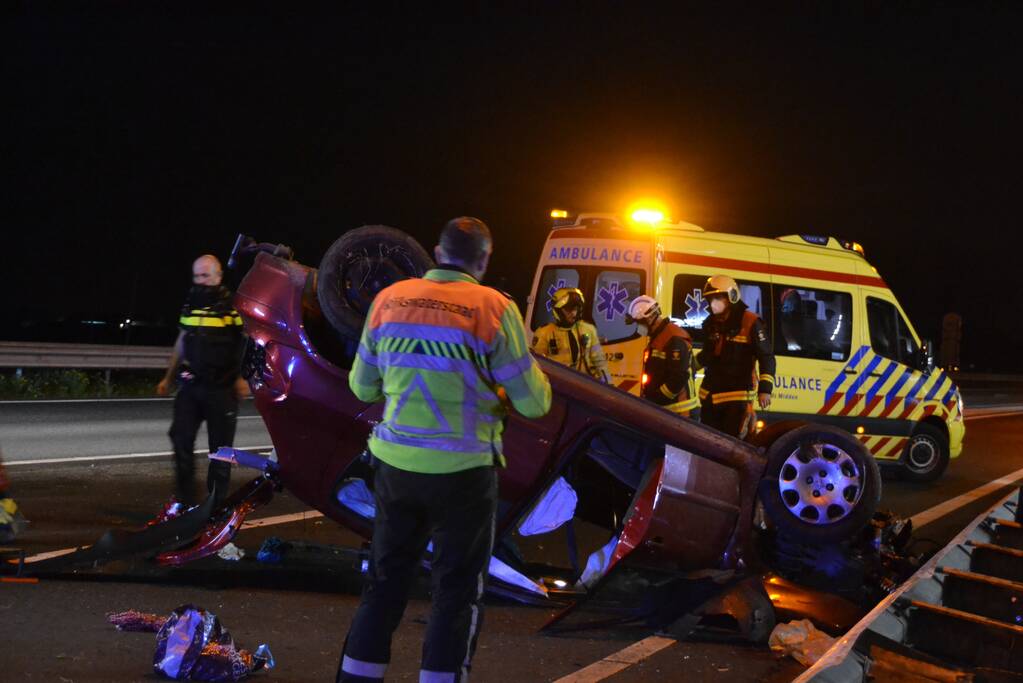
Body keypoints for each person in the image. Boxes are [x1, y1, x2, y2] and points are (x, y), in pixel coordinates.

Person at [338, 217, 552, 683]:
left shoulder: (388, 300)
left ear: (437, 253)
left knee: (384, 586)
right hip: (464, 474)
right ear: (484, 259)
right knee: (456, 593)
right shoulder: (494, 308)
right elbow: (535, 404)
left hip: (397, 469)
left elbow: (362, 387)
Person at [156, 254, 248, 509]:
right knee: (180, 437)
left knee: (220, 452)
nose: (200, 280)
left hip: (222, 388)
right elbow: (181, 342)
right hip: (192, 385)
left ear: (218, 276)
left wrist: (241, 378)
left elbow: (245, 342)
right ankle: (185, 502)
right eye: (197, 276)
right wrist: (168, 377)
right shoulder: (191, 304)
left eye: (205, 275)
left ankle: (214, 506)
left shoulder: (231, 306)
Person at [696, 275, 775, 438]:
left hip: (736, 398)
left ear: (731, 296)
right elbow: (707, 355)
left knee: (732, 444)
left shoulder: (750, 322)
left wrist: (765, 390)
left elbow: (766, 357)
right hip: (710, 397)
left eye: (718, 298)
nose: (713, 303)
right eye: (710, 299)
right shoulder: (711, 323)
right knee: (707, 443)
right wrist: (688, 366)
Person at [626, 295, 697, 417]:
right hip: (667, 410)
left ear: (650, 318)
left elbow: (679, 377)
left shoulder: (674, 338)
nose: (638, 328)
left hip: (681, 412)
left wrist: (656, 399)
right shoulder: (658, 336)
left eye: (639, 323)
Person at [531, 287, 610, 382]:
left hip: (584, 384)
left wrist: (608, 384)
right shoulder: (544, 333)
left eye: (576, 309)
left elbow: (599, 361)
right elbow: (536, 365)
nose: (573, 313)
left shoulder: (588, 329)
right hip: (556, 385)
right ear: (558, 310)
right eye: (568, 309)